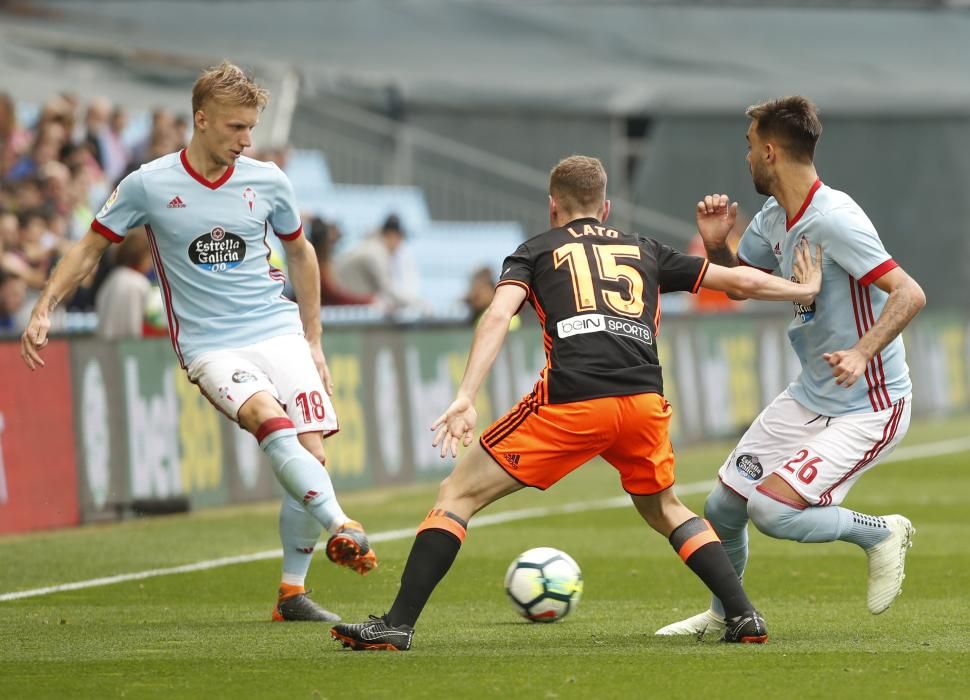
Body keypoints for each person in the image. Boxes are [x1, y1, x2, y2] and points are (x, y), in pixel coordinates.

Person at [330, 154, 825, 651]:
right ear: (605, 207)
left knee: (457, 495)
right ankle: (744, 616)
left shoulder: (535, 251)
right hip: (642, 403)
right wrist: (801, 288)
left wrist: (465, 395)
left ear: (553, 207)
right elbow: (739, 281)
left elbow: (499, 315)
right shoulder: (644, 248)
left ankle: (397, 623)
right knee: (665, 508)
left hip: (573, 402)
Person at [20, 61, 378, 623]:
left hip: (276, 328)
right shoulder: (149, 184)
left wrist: (313, 338)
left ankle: (292, 593)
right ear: (201, 119)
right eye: (236, 127)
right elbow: (90, 246)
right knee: (268, 419)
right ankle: (342, 525)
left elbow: (301, 253)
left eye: (251, 128)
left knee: (313, 454)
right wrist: (45, 305)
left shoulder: (268, 181)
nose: (246, 140)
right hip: (211, 344)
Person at [655, 96, 926, 639]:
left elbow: (910, 293)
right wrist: (716, 248)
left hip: (869, 405)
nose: (748, 158)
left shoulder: (836, 220)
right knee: (722, 505)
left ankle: (880, 532)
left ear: (771, 151)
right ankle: (724, 614)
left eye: (751, 146)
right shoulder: (773, 219)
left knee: (773, 511)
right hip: (811, 395)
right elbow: (741, 286)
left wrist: (861, 351)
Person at [335, 214, 423, 311]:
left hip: (345, 306)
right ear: (392, 235)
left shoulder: (373, 247)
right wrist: (419, 303)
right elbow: (388, 290)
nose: (400, 246)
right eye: (400, 239)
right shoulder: (376, 252)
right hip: (341, 308)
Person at [94, 229, 154, 339]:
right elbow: (133, 325)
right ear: (139, 256)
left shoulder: (113, 277)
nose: (150, 262)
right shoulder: (139, 283)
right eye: (148, 256)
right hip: (127, 347)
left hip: (104, 344)